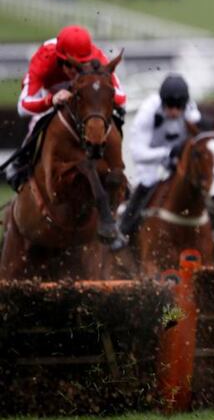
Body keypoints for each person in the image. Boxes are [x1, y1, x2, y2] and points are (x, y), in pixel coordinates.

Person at [7, 24, 126, 190]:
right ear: (59, 59)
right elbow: (23, 107)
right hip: (51, 92)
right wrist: (51, 100)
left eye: (82, 65)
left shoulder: (97, 57)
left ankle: (118, 172)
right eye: (71, 65)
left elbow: (121, 98)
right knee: (37, 123)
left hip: (84, 94)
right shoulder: (44, 58)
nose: (76, 71)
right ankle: (20, 164)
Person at [110, 73, 201, 251]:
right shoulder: (148, 112)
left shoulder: (191, 109)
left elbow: (199, 134)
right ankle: (124, 229)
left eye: (178, 107)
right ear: (162, 102)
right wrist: (166, 153)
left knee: (198, 181)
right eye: (170, 106)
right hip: (150, 161)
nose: (174, 112)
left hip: (176, 160)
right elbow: (138, 153)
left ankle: (211, 230)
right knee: (148, 182)